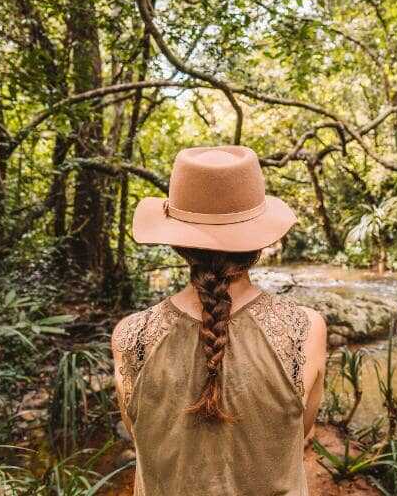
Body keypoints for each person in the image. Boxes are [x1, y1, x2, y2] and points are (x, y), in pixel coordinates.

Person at [112, 145, 328, 495]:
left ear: (178, 244)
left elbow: (140, 435)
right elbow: (299, 432)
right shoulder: (307, 330)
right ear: (257, 242)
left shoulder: (131, 336)